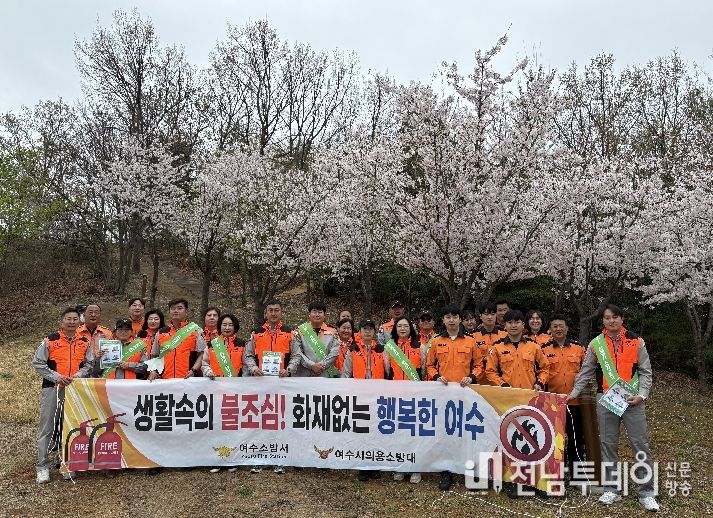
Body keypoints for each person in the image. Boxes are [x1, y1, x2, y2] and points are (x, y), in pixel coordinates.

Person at [567, 304, 659, 512]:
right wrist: (574, 392)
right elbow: (586, 371)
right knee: (608, 445)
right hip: (606, 400)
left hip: (633, 400)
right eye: (607, 318)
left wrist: (642, 394)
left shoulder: (637, 341)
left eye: (615, 317)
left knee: (640, 445)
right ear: (603, 321)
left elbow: (646, 371)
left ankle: (646, 492)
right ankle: (612, 489)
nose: (611, 321)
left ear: (622, 319)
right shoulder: (596, 344)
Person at [486, 309, 550, 498]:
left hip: (531, 400)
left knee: (535, 440)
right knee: (511, 440)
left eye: (517, 322)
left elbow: (545, 368)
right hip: (508, 401)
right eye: (510, 322)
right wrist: (502, 385)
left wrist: (540, 383)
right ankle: (515, 481)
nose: (513, 325)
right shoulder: (497, 347)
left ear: (523, 325)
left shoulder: (534, 346)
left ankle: (537, 481)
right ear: (504, 325)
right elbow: (490, 371)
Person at [425, 304, 483, 491]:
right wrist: (435, 376)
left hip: (465, 395)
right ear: (443, 320)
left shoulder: (470, 341)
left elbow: (479, 365)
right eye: (448, 317)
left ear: (460, 320)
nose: (451, 320)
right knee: (446, 433)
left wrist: (472, 377)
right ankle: (446, 471)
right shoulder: (436, 341)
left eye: (455, 317)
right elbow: (429, 365)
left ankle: (469, 470)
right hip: (444, 395)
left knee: (467, 433)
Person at [33, 307, 94, 483]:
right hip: (53, 388)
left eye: (75, 319)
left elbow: (89, 364)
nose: (72, 322)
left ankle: (67, 463)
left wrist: (78, 375)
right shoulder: (50, 340)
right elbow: (38, 363)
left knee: (70, 426)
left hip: (74, 390)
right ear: (61, 321)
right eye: (68, 318)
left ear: (79, 322)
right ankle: (42, 467)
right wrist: (57, 377)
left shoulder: (84, 341)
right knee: (48, 427)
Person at [244, 299, 299, 474]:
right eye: (270, 310)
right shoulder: (256, 333)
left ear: (281, 312)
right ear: (265, 313)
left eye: (277, 310)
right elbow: (248, 355)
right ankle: (259, 457)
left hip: (282, 384)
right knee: (260, 420)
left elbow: (296, 356)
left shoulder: (290, 333)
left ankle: (279, 458)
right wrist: (254, 368)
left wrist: (288, 370)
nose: (273, 313)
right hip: (261, 384)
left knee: (280, 421)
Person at [341, 320, 388, 482]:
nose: (367, 332)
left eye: (370, 329)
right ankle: (362, 465)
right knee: (361, 431)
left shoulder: (382, 349)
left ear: (374, 332)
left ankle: (374, 465)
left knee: (376, 431)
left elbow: (388, 372)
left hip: (378, 397)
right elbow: (346, 374)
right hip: (359, 397)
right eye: (364, 329)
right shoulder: (353, 350)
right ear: (359, 332)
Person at [542, 314, 586, 479]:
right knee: (554, 440)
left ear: (567, 328)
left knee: (576, 438)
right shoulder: (543, 349)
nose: (558, 329)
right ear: (550, 329)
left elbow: (587, 371)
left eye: (561, 326)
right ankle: (555, 474)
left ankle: (577, 475)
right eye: (555, 326)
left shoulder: (579, 348)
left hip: (575, 402)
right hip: (553, 403)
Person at [202, 313, 245, 474]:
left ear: (235, 327)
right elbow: (204, 363)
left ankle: (231, 458)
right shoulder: (212, 344)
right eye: (224, 325)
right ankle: (216, 458)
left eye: (230, 325)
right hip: (215, 389)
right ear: (219, 327)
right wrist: (208, 371)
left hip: (235, 391)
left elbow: (246, 365)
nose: (227, 328)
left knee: (232, 426)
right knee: (216, 425)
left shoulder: (242, 344)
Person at [148, 298, 206, 380]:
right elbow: (155, 354)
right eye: (173, 308)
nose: (176, 311)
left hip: (188, 379)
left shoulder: (196, 330)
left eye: (179, 308)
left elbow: (202, 354)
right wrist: (153, 370)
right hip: (165, 379)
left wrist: (194, 370)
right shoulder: (161, 332)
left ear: (186, 311)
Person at [291, 301, 340, 378]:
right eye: (314, 312)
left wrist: (322, 366)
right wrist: (311, 365)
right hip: (305, 374)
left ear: (324, 315)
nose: (317, 315)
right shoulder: (299, 331)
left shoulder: (333, 332)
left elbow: (335, 352)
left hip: (325, 374)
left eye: (320, 312)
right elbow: (297, 352)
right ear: (309, 314)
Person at [471, 302, 507, 384]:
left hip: (501, 382)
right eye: (486, 314)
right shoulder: (473, 336)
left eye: (492, 314)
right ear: (480, 316)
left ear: (496, 315)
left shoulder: (505, 335)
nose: (490, 317)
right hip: (479, 381)